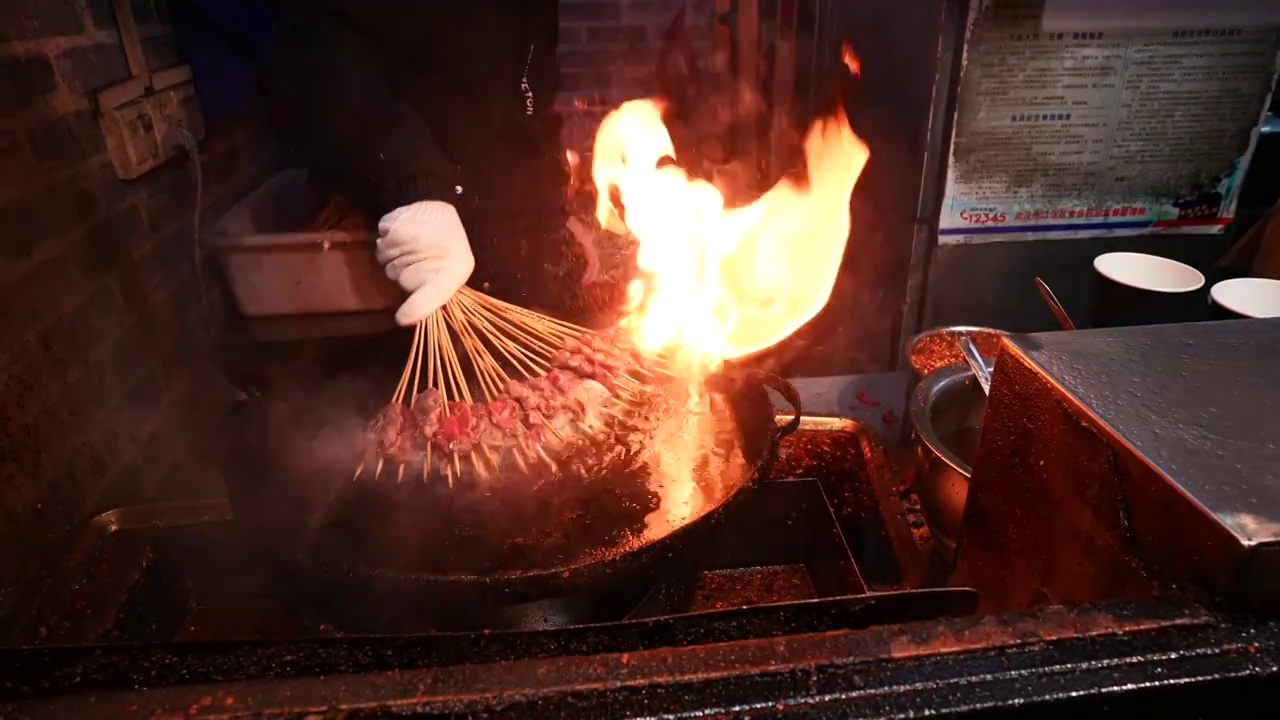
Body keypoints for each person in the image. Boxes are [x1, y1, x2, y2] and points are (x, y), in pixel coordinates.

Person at [266, 0, 586, 326]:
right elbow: (320, 50)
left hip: (489, 255)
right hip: (383, 241)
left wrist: (548, 206)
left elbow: (529, 89)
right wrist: (413, 184)